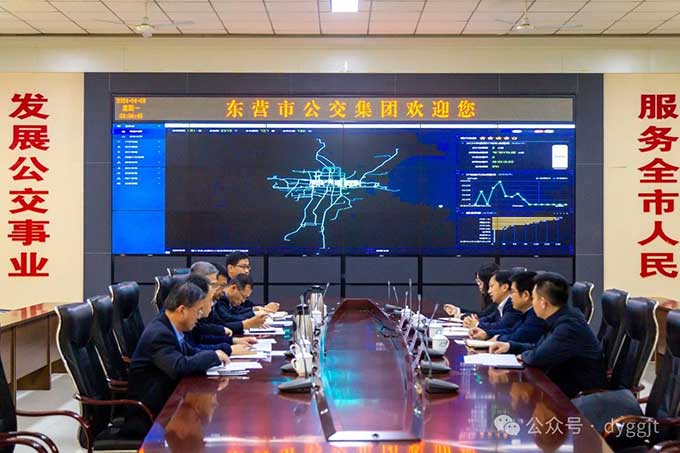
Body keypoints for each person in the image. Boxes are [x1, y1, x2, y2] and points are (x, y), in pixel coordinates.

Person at [126, 282, 229, 434]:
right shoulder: (159, 334)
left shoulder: (169, 326)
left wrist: (218, 353)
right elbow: (179, 367)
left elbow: (190, 351)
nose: (199, 317)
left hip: (169, 402)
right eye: (198, 311)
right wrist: (213, 356)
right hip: (151, 414)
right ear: (182, 310)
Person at [489, 272, 606, 398]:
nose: (532, 303)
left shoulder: (569, 326)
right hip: (562, 386)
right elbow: (539, 347)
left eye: (534, 298)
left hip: (579, 397)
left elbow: (538, 356)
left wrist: (522, 355)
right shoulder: (560, 318)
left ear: (543, 303)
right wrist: (510, 346)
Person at [469, 270, 545, 344]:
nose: (510, 296)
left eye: (512, 292)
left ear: (525, 295)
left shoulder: (535, 316)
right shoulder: (527, 313)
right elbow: (511, 330)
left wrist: (497, 338)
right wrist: (487, 334)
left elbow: (518, 336)